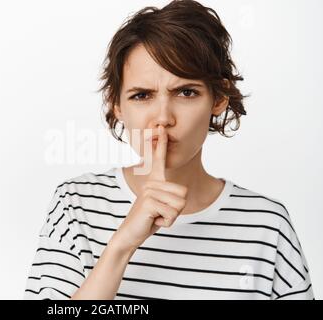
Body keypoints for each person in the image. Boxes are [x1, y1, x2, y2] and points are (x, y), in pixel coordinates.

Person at [24, 0, 314, 300]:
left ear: (218, 98)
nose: (163, 117)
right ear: (116, 104)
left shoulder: (266, 225)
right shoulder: (76, 205)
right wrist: (121, 246)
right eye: (142, 95)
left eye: (186, 92)